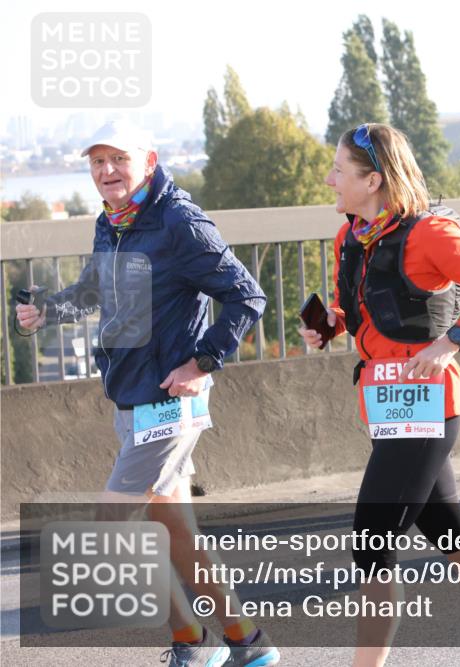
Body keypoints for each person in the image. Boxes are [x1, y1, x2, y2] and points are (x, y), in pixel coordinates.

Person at [15, 120, 278, 667]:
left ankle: (194, 643)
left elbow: (247, 296)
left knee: (112, 532)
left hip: (168, 401)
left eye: (119, 159)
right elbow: (95, 290)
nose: (107, 170)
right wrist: (47, 311)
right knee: (175, 534)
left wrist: (202, 362)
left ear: (149, 162)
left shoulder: (180, 221)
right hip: (131, 398)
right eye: (97, 161)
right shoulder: (112, 222)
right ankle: (246, 643)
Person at [300, 122, 460, 667]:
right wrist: (332, 324)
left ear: (373, 180)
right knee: (448, 529)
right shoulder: (351, 237)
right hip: (385, 402)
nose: (330, 180)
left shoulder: (429, 234)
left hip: (427, 404)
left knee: (371, 542)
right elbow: (366, 308)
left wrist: (451, 341)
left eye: (339, 170)